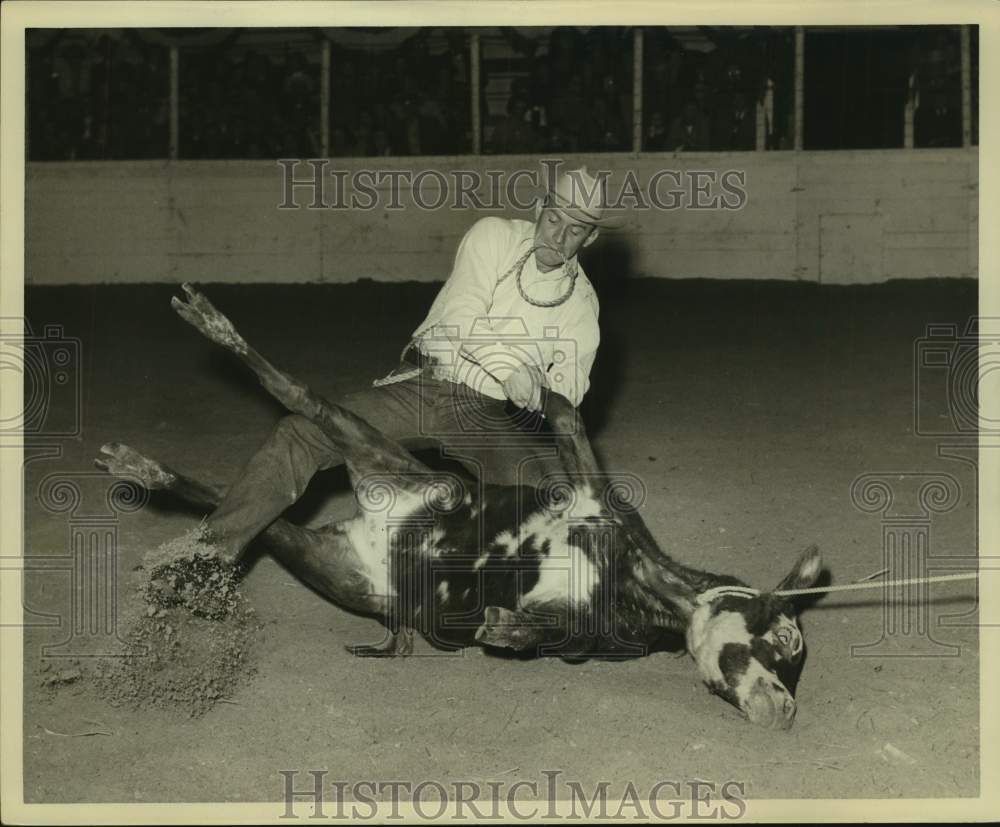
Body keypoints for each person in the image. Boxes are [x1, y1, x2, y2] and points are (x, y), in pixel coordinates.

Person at [183, 167, 624, 563]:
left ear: (590, 238)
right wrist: (511, 367)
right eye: (553, 219)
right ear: (538, 208)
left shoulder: (582, 305)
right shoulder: (494, 236)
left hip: (482, 413)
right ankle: (205, 558)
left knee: (545, 501)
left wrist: (546, 394)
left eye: (575, 230)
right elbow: (460, 317)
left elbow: (571, 392)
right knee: (299, 433)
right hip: (423, 385)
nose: (558, 236)